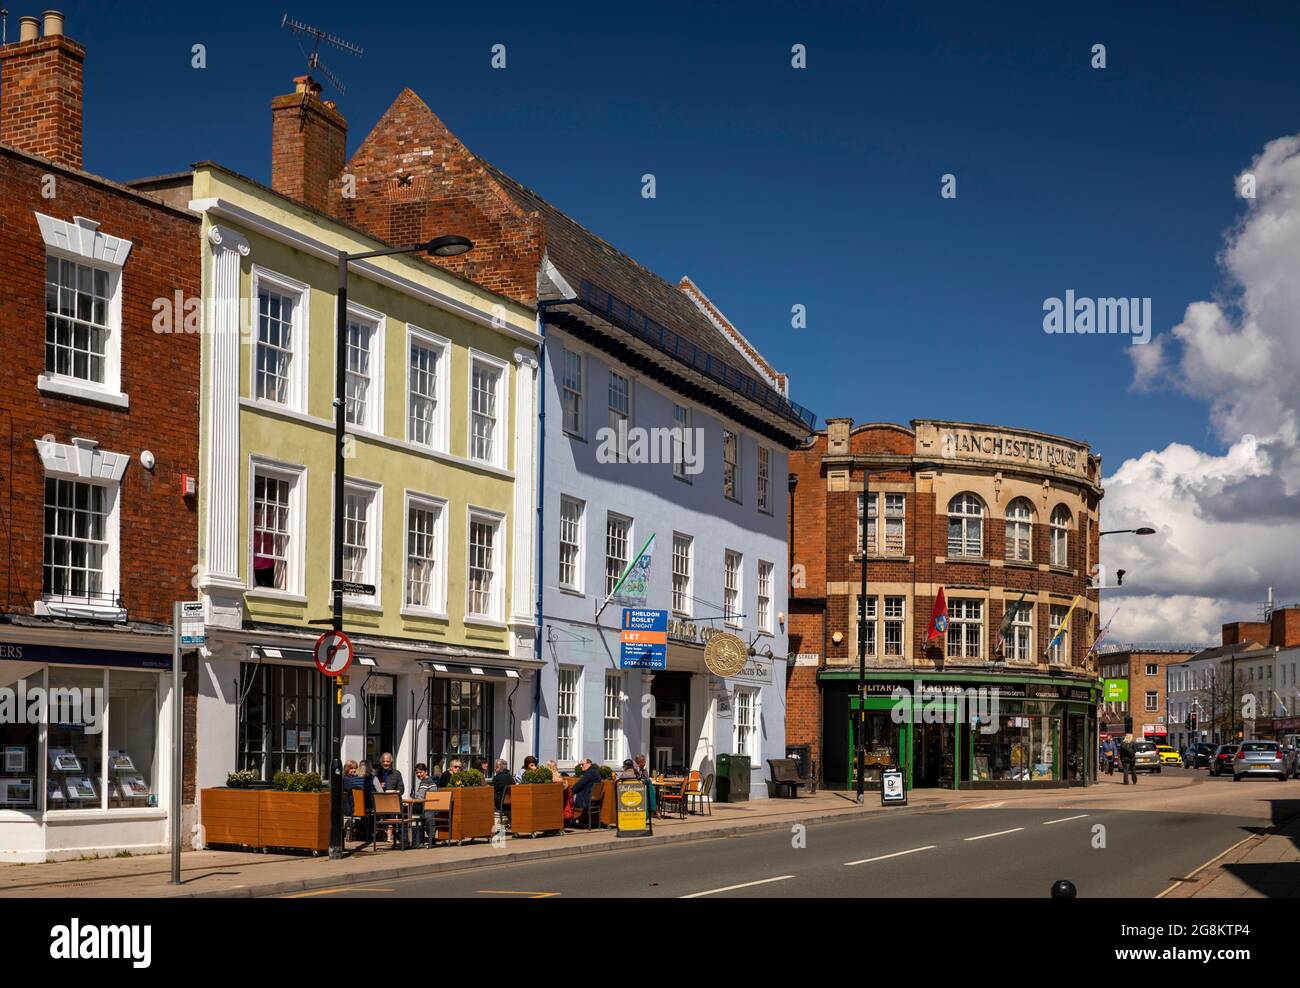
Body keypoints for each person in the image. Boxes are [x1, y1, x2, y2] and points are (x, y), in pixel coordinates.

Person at [342, 760, 374, 842]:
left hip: (352, 808)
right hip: (352, 808)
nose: (354, 770)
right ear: (346, 769)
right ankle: (367, 834)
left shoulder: (352, 779)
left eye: (355, 768)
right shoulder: (348, 780)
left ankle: (358, 833)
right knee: (372, 812)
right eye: (351, 768)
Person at [571, 757, 603, 824]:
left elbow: (580, 784)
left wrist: (570, 791)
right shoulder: (594, 771)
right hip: (593, 799)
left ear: (589, 764)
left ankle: (568, 819)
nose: (581, 766)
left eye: (582, 764)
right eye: (580, 765)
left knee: (569, 797)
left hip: (586, 800)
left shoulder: (590, 773)